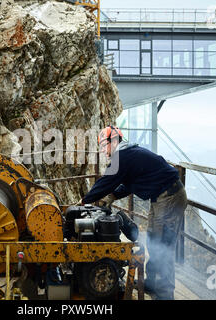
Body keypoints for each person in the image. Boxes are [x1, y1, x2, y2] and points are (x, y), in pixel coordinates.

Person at [80, 125, 188, 300]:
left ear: (114, 141)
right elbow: (128, 184)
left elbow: (107, 180)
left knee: (164, 244)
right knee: (155, 239)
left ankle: (165, 293)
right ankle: (152, 283)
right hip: (161, 196)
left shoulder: (122, 156)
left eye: (103, 145)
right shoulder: (128, 155)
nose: (102, 150)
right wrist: (113, 196)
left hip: (169, 196)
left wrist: (86, 200)